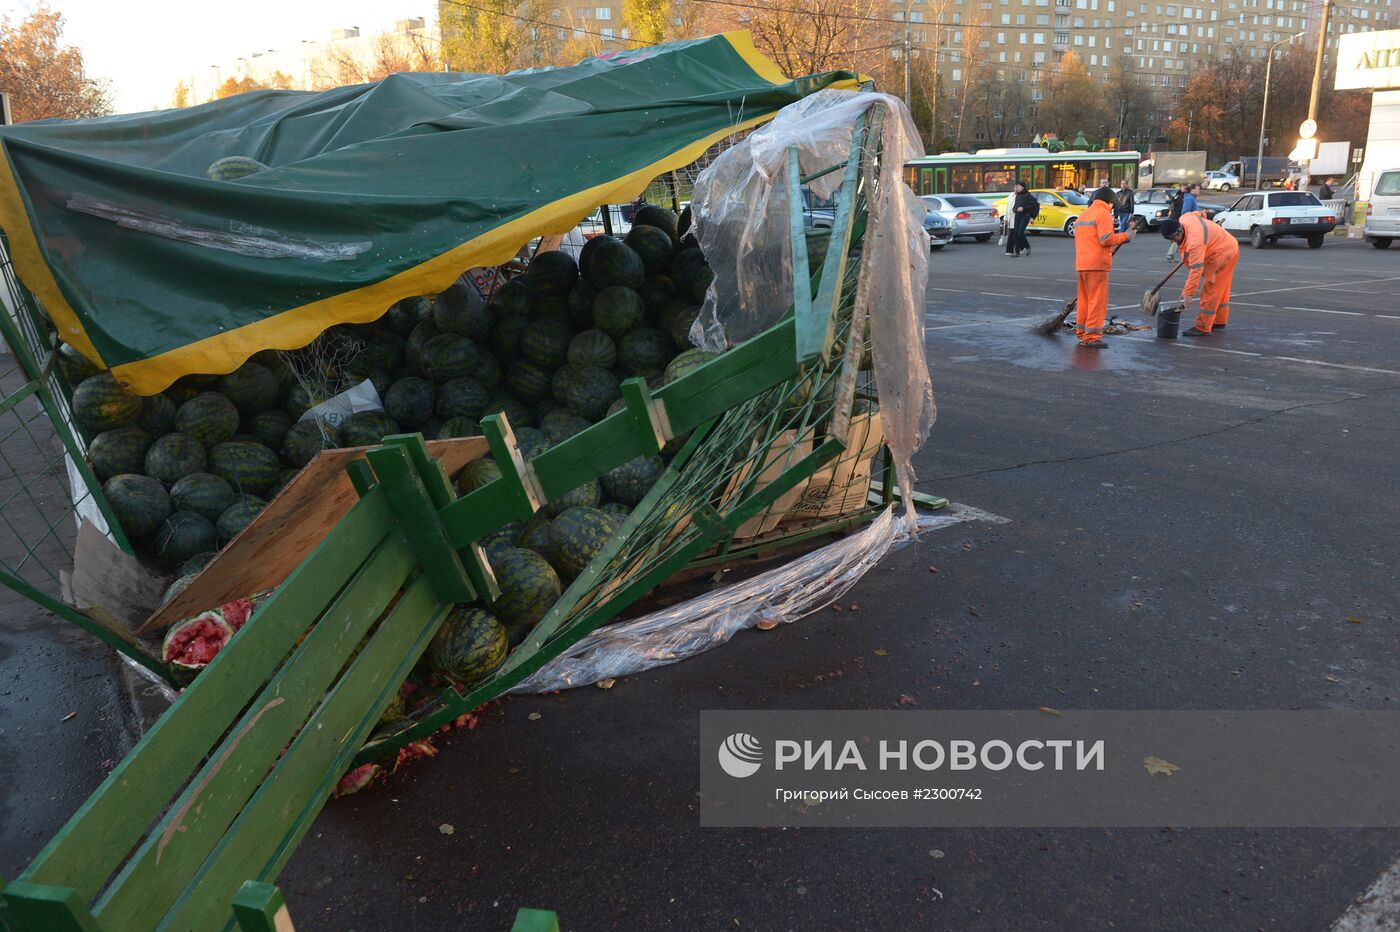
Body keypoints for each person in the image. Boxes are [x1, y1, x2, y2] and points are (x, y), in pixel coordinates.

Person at [1158, 210, 1240, 336]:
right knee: (1221, 290)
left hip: (1221, 255)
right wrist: (1211, 227)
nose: (1173, 242)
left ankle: (1203, 327)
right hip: (1229, 246)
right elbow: (1203, 213)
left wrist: (1188, 293)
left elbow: (1196, 270)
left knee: (1210, 290)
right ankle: (1219, 321)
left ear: (1177, 233)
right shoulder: (1186, 217)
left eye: (1173, 239)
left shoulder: (1195, 243)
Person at [1073, 187, 1136, 348]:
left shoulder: (1084, 214)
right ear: (1110, 201)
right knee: (1096, 301)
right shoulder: (1103, 214)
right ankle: (1092, 336)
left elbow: (1091, 240)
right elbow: (1106, 239)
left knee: (1085, 301)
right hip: (1097, 265)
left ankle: (1082, 332)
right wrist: (1126, 236)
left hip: (1082, 264)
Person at [1005, 181, 1037, 257]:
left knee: (1019, 233)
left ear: (1023, 187)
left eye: (1019, 186)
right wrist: (1014, 210)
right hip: (1017, 216)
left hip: (1024, 216)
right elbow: (1014, 206)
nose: (1017, 188)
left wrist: (1024, 208)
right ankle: (1017, 252)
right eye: (1016, 186)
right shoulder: (1016, 196)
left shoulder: (1027, 195)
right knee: (1015, 234)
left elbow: (1034, 205)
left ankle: (1027, 247)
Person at [1165, 183, 1186, 261]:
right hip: (1178, 218)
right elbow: (1175, 204)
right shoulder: (1181, 195)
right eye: (1182, 187)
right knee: (1179, 237)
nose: (1183, 188)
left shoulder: (1182, 195)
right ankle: (1171, 254)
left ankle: (1171, 254)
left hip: (1177, 217)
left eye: (1184, 187)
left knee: (1178, 238)